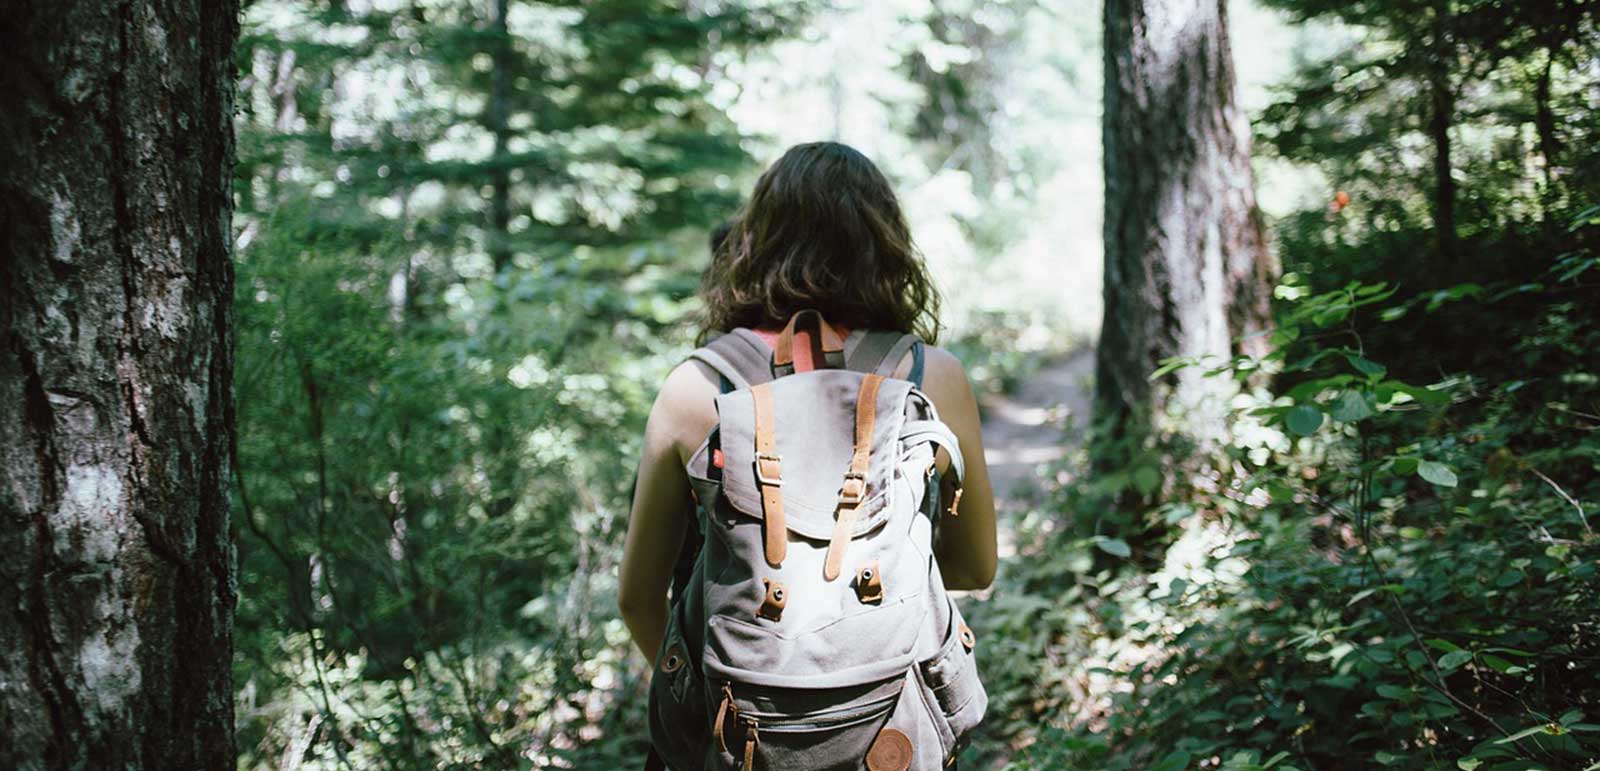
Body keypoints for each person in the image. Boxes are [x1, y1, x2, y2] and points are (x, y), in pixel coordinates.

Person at [618, 140, 997, 669]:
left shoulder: (696, 386)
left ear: (755, 241)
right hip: (892, 706)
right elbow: (975, 568)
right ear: (884, 245)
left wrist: (691, 692)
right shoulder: (932, 376)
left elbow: (638, 598)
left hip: (737, 708)